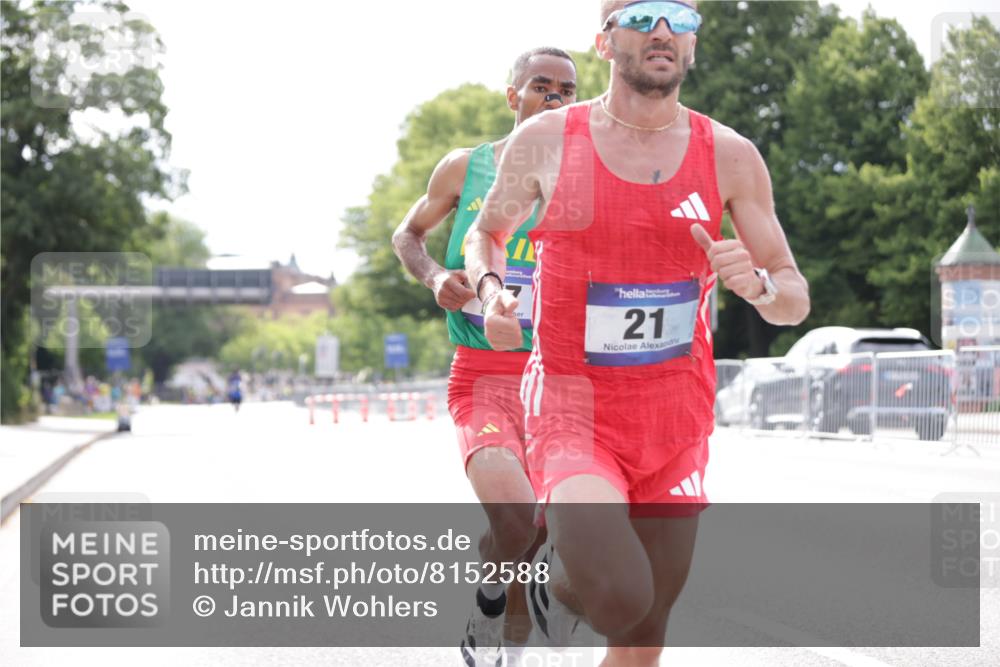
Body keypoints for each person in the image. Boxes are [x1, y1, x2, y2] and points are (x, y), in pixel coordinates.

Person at [465, 1, 811, 664]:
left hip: (676, 422)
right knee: (620, 594)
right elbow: (488, 234)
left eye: (680, 18)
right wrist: (492, 289)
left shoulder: (731, 156)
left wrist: (760, 286)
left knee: (644, 629)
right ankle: (555, 586)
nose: (663, 31)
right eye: (643, 14)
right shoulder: (547, 139)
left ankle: (565, 584)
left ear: (693, 47)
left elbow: (792, 299)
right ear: (603, 41)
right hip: (576, 408)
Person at [392, 47, 578, 666]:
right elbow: (407, 233)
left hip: (559, 378)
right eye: (540, 86)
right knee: (519, 521)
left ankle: (508, 637)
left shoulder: (591, 175)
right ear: (513, 95)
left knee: (536, 534)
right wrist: (432, 276)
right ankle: (490, 598)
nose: (554, 98)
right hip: (484, 375)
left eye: (567, 90)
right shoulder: (464, 167)